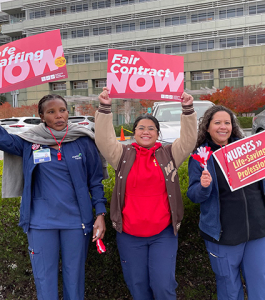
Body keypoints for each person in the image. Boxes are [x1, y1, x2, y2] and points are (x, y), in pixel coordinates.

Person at [0, 94, 107, 300]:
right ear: (42, 116)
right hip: (40, 223)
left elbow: (95, 181)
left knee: (75, 278)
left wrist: (100, 213)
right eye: (51, 112)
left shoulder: (82, 140)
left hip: (76, 222)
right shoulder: (30, 142)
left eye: (62, 110)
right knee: (44, 279)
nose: (59, 116)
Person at [94, 87, 197, 300]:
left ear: (158, 133)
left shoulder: (169, 154)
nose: (146, 131)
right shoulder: (122, 155)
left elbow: (188, 141)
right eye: (141, 127)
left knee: (163, 287)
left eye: (151, 128)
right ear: (134, 132)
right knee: (138, 287)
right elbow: (104, 140)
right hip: (130, 235)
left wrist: (187, 110)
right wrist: (104, 108)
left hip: (163, 234)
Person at [187, 105, 265, 300]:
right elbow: (193, 195)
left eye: (227, 122)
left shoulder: (246, 148)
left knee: (259, 282)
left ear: (233, 126)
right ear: (207, 127)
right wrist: (203, 186)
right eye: (217, 122)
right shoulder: (201, 156)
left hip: (257, 229)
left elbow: (261, 178)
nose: (223, 127)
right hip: (223, 234)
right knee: (228, 287)